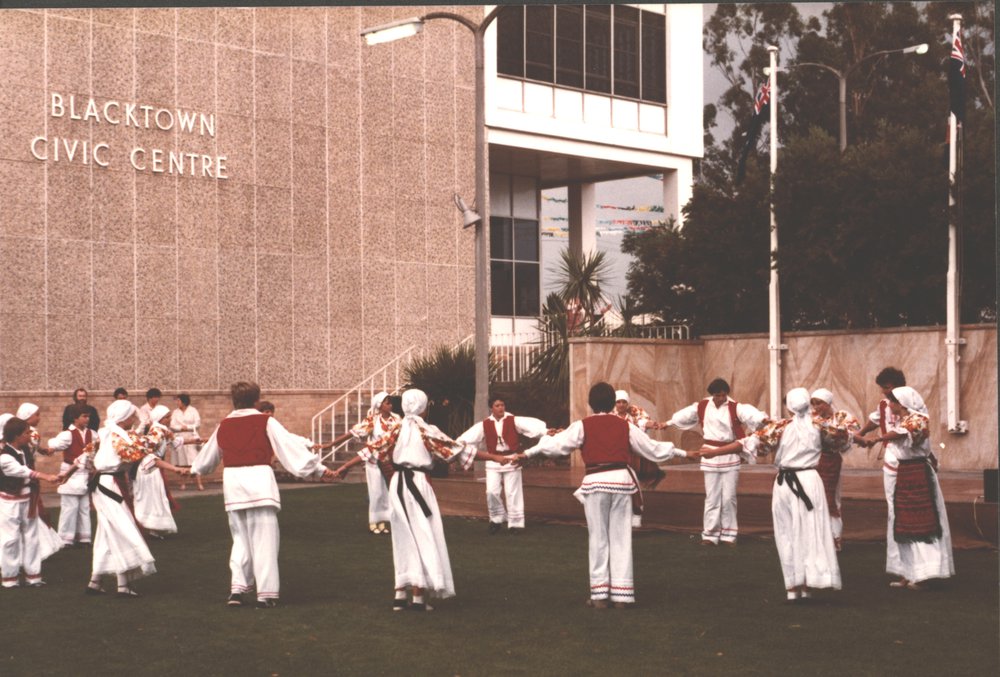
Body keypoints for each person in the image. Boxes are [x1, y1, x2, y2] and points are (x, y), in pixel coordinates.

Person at [513, 382, 690, 609]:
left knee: (598, 538)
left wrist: (527, 453)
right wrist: (683, 452)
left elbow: (556, 446)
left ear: (591, 403)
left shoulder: (582, 425)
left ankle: (599, 595)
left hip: (596, 483)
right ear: (613, 403)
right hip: (621, 483)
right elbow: (652, 448)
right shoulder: (625, 426)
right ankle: (622, 596)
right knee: (621, 538)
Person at [332, 389, 508, 611]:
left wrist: (343, 468)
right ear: (422, 408)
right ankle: (417, 596)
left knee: (403, 535)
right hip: (418, 483)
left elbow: (371, 450)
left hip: (398, 484)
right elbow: (457, 450)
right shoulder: (426, 430)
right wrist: (494, 457)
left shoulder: (396, 428)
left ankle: (400, 593)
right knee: (423, 534)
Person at [191, 381, 335, 609]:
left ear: (234, 400)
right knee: (264, 540)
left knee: (240, 539)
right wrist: (319, 469)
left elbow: (206, 460)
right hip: (259, 483)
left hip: (234, 485)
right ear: (257, 400)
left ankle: (237, 590)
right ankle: (265, 594)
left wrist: (194, 469)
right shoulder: (265, 421)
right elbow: (289, 447)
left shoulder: (224, 425)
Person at [693, 388, 841, 602]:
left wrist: (715, 452)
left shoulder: (780, 427)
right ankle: (809, 582)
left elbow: (747, 443)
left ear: (789, 407)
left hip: (786, 483)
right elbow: (843, 440)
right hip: (809, 481)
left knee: (786, 532)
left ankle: (793, 586)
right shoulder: (822, 427)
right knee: (811, 530)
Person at [662, 378, 767, 546]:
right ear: (712, 395)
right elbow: (682, 416)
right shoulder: (702, 405)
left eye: (724, 395)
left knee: (729, 497)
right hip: (709, 454)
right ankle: (710, 534)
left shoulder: (735, 407)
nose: (721, 398)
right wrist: (667, 423)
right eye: (718, 395)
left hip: (730, 453)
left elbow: (752, 415)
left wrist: (764, 420)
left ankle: (729, 535)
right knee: (712, 497)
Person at [85, 399, 173, 597]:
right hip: (111, 485)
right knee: (122, 528)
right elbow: (140, 450)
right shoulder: (118, 436)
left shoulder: (106, 433)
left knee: (107, 530)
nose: (134, 418)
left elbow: (87, 455)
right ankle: (122, 585)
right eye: (132, 415)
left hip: (105, 484)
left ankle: (96, 580)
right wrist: (158, 430)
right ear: (123, 418)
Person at [871, 386, 954, 589]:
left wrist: (877, 438)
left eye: (892, 401)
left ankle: (925, 574)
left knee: (921, 521)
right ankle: (908, 572)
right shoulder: (903, 421)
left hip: (918, 474)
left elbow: (903, 433)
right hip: (905, 473)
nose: (889, 404)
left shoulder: (918, 420)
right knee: (903, 521)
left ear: (902, 403)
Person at [456, 396, 548, 534]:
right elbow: (467, 438)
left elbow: (531, 427)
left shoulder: (513, 420)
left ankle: (515, 524)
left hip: (512, 459)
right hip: (493, 460)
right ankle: (496, 520)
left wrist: (546, 432)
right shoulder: (484, 424)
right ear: (491, 408)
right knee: (491, 491)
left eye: (502, 405)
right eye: (497, 405)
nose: (501, 408)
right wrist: (458, 443)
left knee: (512, 492)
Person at [854, 367, 909, 586]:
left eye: (887, 387)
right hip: (891, 461)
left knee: (907, 510)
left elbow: (905, 430)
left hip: (909, 462)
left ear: (898, 385)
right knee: (894, 511)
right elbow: (874, 420)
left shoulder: (911, 403)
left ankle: (916, 568)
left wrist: (877, 439)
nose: (884, 392)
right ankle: (902, 568)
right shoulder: (884, 404)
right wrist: (859, 434)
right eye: (882, 388)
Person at [0, 417, 62, 588]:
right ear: (17, 436)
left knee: (32, 537)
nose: (30, 435)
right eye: (27, 433)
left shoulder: (26, 449)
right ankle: (10, 578)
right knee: (10, 539)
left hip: (28, 499)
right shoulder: (4, 456)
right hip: (9, 502)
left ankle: (33, 576)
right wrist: (46, 476)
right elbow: (21, 471)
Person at [328, 392, 400, 535]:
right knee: (376, 492)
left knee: (387, 493)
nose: (390, 405)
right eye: (387, 402)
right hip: (373, 460)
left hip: (389, 461)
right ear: (379, 405)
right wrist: (331, 444)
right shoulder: (373, 420)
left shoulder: (397, 419)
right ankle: (373, 522)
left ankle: (383, 521)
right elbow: (353, 432)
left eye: (390, 402)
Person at [810, 388, 861, 551]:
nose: (816, 407)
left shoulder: (841, 416)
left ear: (828, 403)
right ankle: (818, 537)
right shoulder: (811, 418)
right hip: (813, 461)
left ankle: (835, 536)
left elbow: (852, 434)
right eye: (813, 403)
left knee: (831, 498)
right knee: (815, 497)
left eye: (819, 403)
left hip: (831, 460)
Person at [613, 389, 665, 527]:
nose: (621, 404)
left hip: (633, 455)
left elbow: (643, 422)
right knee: (619, 485)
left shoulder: (635, 413)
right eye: (618, 402)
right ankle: (620, 516)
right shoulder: (611, 416)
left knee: (633, 484)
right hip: (617, 455)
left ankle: (635, 514)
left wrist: (653, 424)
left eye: (624, 402)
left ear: (627, 403)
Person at [47, 403, 97, 546]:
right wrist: (51, 448)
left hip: (85, 472)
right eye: (84, 416)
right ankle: (65, 538)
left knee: (84, 506)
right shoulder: (67, 434)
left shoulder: (92, 434)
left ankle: (84, 537)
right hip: (70, 473)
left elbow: (95, 450)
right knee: (70, 507)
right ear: (75, 418)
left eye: (88, 416)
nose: (87, 419)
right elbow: (55, 444)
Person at [133, 405, 186, 538]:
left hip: (153, 469)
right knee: (150, 499)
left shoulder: (162, 430)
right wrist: (174, 468)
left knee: (156, 498)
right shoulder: (157, 432)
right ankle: (148, 527)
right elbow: (148, 453)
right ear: (160, 419)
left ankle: (153, 528)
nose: (170, 419)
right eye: (167, 417)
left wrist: (199, 440)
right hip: (148, 469)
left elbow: (174, 442)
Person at [170, 393, 204, 491]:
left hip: (192, 436)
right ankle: (183, 484)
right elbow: (172, 425)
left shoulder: (193, 410)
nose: (177, 402)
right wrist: (181, 428)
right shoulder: (175, 412)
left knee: (194, 460)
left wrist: (188, 427)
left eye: (178, 400)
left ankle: (199, 484)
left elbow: (197, 423)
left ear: (184, 401)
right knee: (183, 462)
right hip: (181, 438)